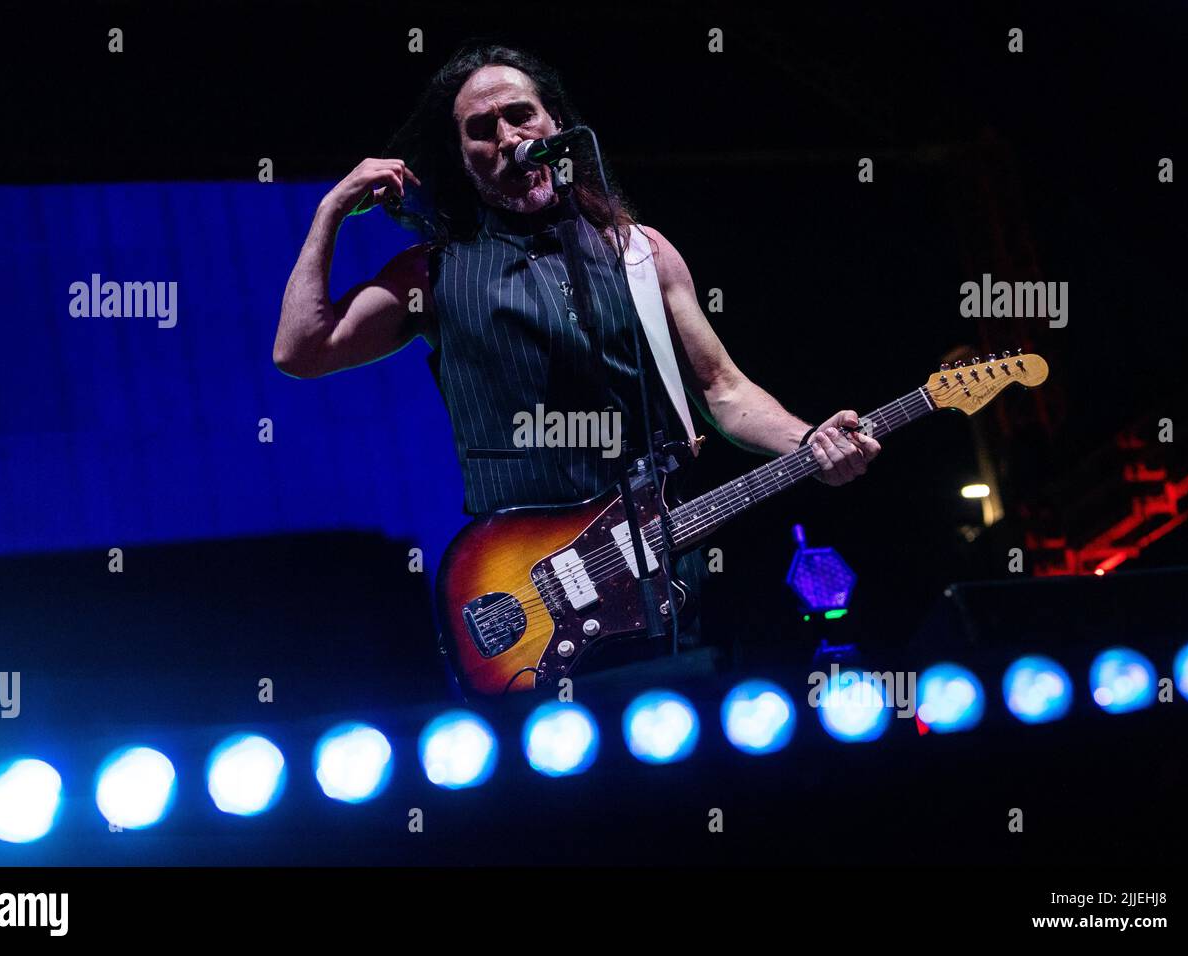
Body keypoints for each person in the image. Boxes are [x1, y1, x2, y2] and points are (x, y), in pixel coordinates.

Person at [274, 41, 880, 673]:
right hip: (527, 597)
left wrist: (808, 439)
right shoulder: (433, 273)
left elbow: (724, 390)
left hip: (665, 582)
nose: (507, 138)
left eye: (519, 116)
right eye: (481, 131)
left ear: (556, 125)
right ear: (463, 158)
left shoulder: (641, 253)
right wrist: (330, 213)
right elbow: (300, 349)